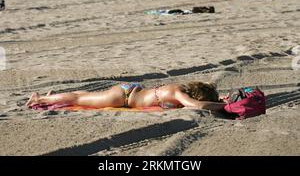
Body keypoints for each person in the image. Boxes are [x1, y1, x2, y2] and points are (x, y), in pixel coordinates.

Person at [26, 81, 225, 112]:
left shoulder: (178, 88)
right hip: (123, 97)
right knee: (78, 100)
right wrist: (222, 107)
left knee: (84, 95)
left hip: (130, 89)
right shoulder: (178, 94)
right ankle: (39, 99)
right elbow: (197, 106)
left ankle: (52, 96)